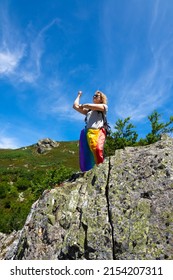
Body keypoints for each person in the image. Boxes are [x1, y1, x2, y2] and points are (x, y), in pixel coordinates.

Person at [73, 90, 108, 172]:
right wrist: (79, 95)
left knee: (98, 149)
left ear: (101, 99)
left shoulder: (104, 107)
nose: (94, 96)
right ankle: (88, 171)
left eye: (96, 95)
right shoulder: (89, 111)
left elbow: (88, 105)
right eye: (94, 95)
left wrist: (84, 105)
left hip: (97, 132)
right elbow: (75, 106)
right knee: (86, 153)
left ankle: (100, 168)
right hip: (88, 133)